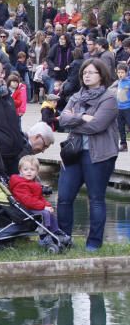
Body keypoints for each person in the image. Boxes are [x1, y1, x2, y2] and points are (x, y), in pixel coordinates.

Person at [57, 59, 119, 251]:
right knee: (64, 197)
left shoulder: (108, 98)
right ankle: (63, 239)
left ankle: (93, 243)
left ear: (101, 75)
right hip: (73, 153)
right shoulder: (76, 96)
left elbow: (97, 125)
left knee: (96, 199)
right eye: (85, 72)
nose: (87, 75)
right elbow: (62, 120)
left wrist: (73, 120)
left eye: (91, 72)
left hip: (99, 155)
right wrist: (81, 117)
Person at [9, 155, 60, 235]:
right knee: (45, 213)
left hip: (32, 207)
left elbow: (40, 198)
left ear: (37, 172)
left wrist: (48, 205)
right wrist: (43, 207)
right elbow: (28, 201)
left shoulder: (33, 183)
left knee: (49, 211)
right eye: (25, 169)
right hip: (24, 209)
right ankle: (45, 236)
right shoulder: (20, 185)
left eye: (32, 170)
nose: (29, 172)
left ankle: (56, 231)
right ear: (20, 171)